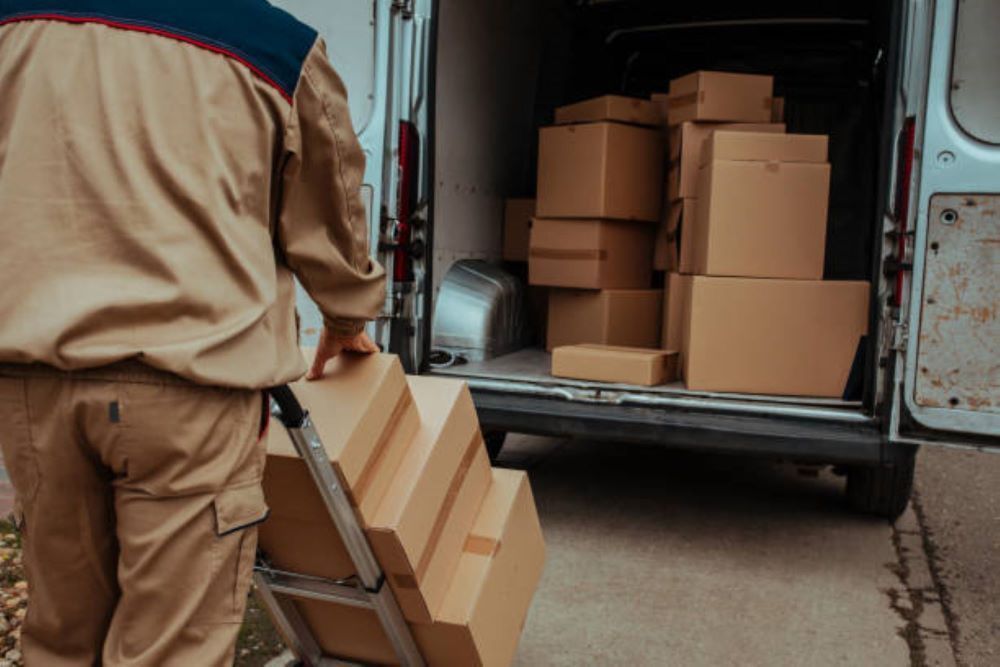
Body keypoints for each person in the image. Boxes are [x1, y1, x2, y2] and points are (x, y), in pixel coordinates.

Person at [0, 1, 385, 664]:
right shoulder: (276, 48)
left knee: (61, 636)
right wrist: (346, 316)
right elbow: (329, 210)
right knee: (171, 646)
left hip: (36, 386)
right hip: (190, 391)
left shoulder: (15, 24)